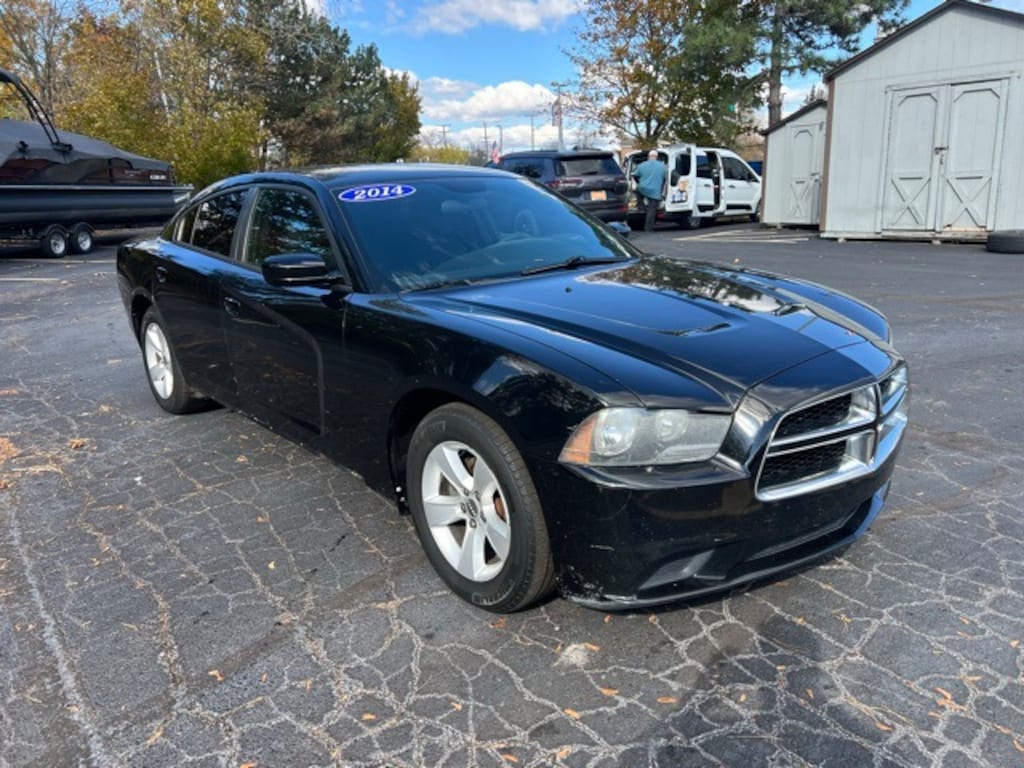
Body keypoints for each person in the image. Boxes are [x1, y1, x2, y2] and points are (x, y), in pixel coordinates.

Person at [632, 149, 667, 232]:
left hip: (642, 188)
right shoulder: (662, 166)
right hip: (654, 191)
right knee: (652, 210)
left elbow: (634, 175)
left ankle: (641, 207)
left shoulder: (642, 165)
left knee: (637, 191)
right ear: (657, 157)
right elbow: (665, 178)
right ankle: (648, 228)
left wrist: (639, 182)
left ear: (648, 157)